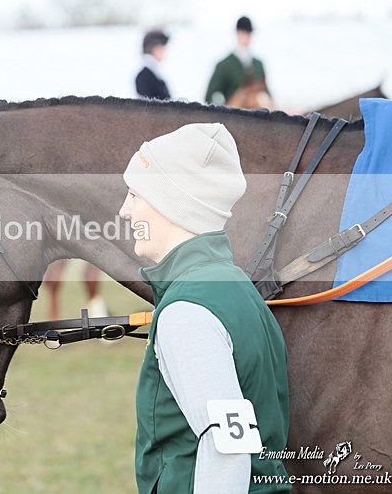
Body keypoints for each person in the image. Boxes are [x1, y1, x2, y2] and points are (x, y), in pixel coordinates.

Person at [119, 123, 290, 492]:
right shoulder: (235, 285)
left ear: (170, 203)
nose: (124, 211)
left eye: (134, 195)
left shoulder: (188, 310)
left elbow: (227, 447)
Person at [205, 16, 272, 109]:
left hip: (257, 112)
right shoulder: (224, 65)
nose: (246, 37)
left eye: (248, 34)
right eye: (243, 33)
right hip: (233, 114)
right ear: (237, 34)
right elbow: (210, 96)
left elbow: (268, 93)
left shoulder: (258, 64)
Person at [135, 29, 172, 100]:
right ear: (153, 48)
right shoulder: (144, 76)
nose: (164, 51)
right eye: (161, 47)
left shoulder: (155, 73)